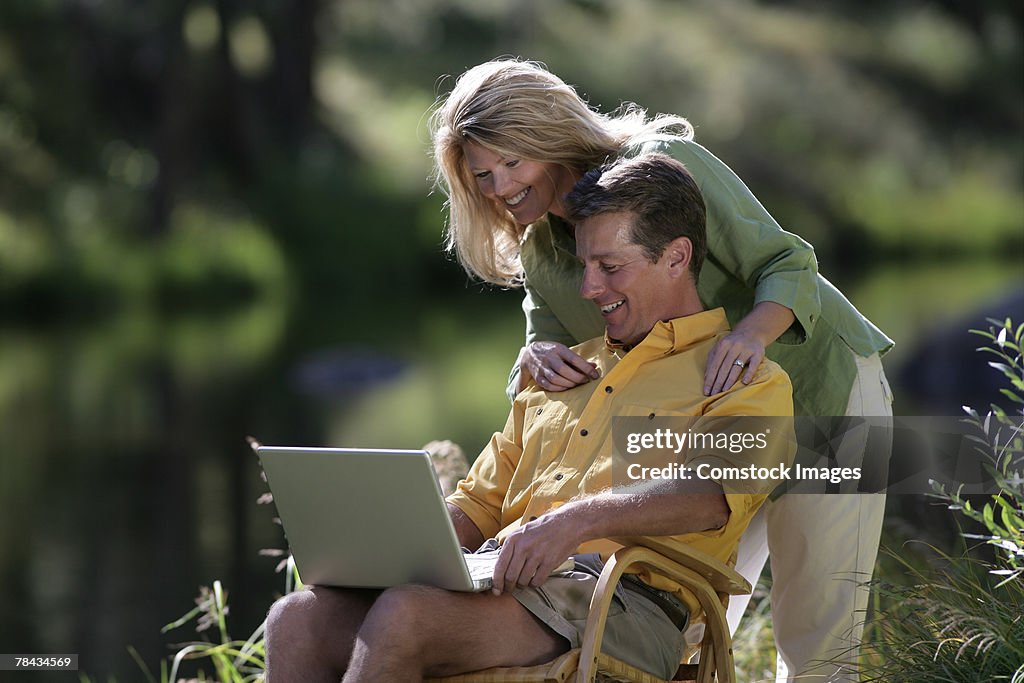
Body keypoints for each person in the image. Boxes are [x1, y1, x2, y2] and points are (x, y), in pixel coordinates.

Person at [429, 58, 894, 682]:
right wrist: (531, 356)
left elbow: (785, 259)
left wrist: (752, 334)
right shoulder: (541, 247)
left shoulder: (669, 167)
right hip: (697, 432)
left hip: (819, 393)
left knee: (817, 633)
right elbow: (552, 340)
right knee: (688, 630)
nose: (500, 187)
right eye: (483, 175)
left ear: (550, 136)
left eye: (513, 162)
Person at [262, 153, 794, 682]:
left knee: (406, 616)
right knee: (298, 618)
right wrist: (389, 550)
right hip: (502, 582)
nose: (589, 289)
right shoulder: (563, 369)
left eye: (610, 267)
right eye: (585, 265)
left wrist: (578, 519)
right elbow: (479, 503)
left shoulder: (747, 377)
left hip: (625, 603)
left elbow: (712, 493)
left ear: (676, 258)